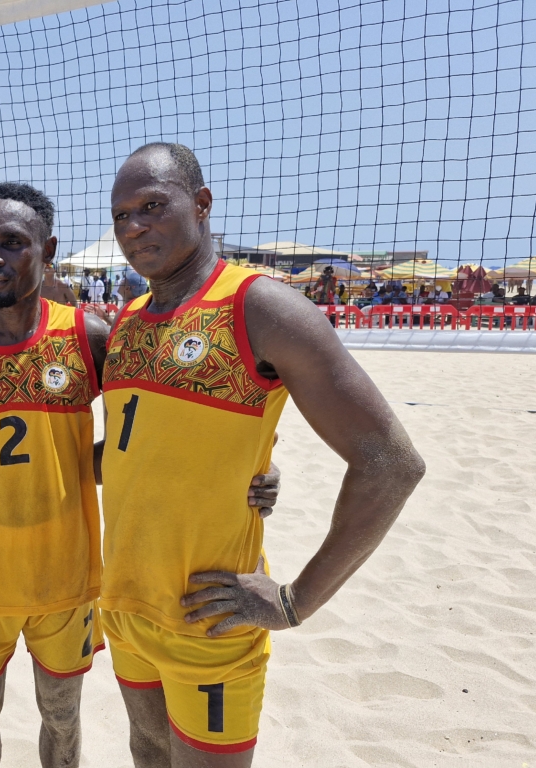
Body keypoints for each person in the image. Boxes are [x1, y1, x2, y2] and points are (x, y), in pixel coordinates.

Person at [0, 182, 280, 768]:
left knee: (62, 717)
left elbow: (143, 435)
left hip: (66, 582)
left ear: (47, 250)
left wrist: (253, 467)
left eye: (11, 242)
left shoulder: (89, 337)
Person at [102, 143, 423, 765]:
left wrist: (295, 601)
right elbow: (134, 450)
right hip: (124, 605)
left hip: (210, 617)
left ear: (201, 204)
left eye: (152, 206)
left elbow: (392, 464)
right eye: (120, 215)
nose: (133, 226)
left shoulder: (260, 307)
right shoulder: (130, 320)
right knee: (147, 751)